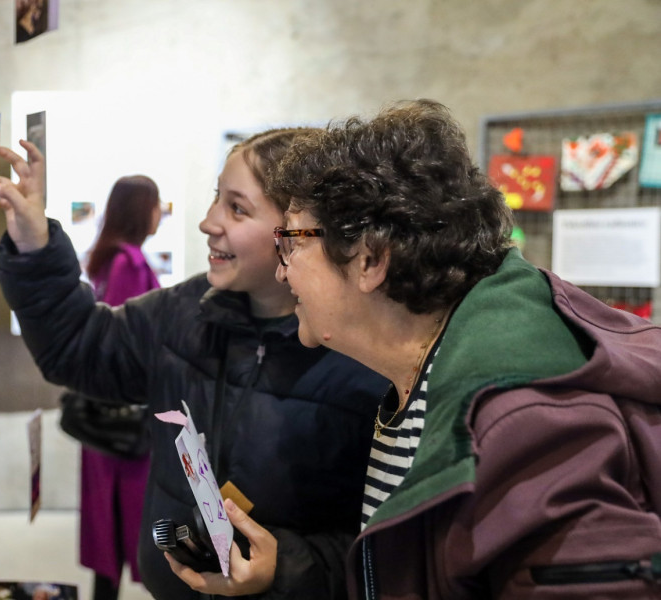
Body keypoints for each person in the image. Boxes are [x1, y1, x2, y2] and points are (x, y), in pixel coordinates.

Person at [264, 99, 661, 598]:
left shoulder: (524, 415)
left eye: (292, 242)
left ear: (370, 258)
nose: (281, 270)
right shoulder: (426, 368)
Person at [0, 131, 388, 599]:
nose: (207, 222)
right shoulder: (185, 312)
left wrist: (283, 570)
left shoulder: (366, 357)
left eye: (237, 209)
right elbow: (78, 347)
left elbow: (388, 546)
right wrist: (36, 249)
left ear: (301, 228)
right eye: (217, 199)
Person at [78, 175, 162, 600]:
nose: (160, 212)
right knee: (124, 521)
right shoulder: (128, 262)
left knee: (108, 528)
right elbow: (126, 342)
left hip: (107, 419)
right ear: (140, 210)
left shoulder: (111, 259)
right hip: (123, 422)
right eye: (155, 204)